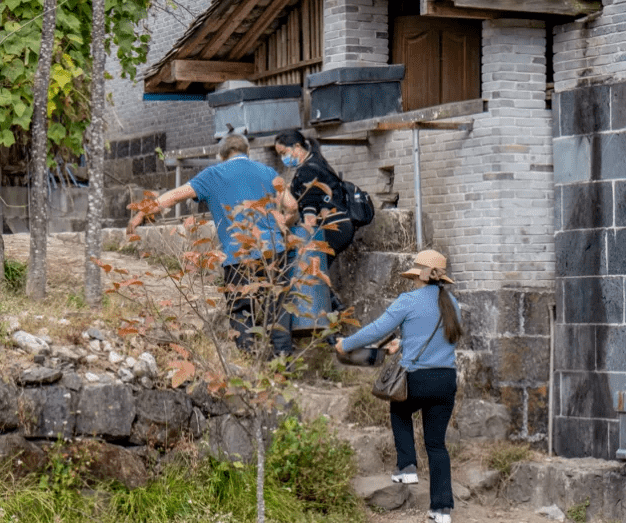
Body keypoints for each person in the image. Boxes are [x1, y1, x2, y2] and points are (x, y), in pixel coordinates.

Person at [126, 133, 289, 352]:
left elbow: (174, 196)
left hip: (238, 256)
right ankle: (283, 366)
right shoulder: (268, 172)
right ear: (247, 152)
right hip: (273, 252)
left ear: (221, 155)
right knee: (277, 310)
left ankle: (250, 363)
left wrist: (141, 213)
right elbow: (292, 205)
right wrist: (285, 225)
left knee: (241, 312)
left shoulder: (213, 174)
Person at [333, 249, 464, 523]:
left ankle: (407, 466)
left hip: (418, 378)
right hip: (446, 381)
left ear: (420, 275)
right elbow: (445, 339)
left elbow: (377, 329)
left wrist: (345, 344)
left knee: (400, 410)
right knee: (437, 444)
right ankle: (441, 510)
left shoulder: (408, 300)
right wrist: (404, 344)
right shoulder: (452, 303)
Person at [273, 129, 354, 270]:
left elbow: (310, 212)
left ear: (297, 147)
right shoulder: (315, 163)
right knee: (317, 271)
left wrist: (306, 241)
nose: (283, 158)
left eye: (283, 153)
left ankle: (325, 293)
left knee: (311, 271)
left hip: (332, 227)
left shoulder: (307, 171)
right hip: (341, 225)